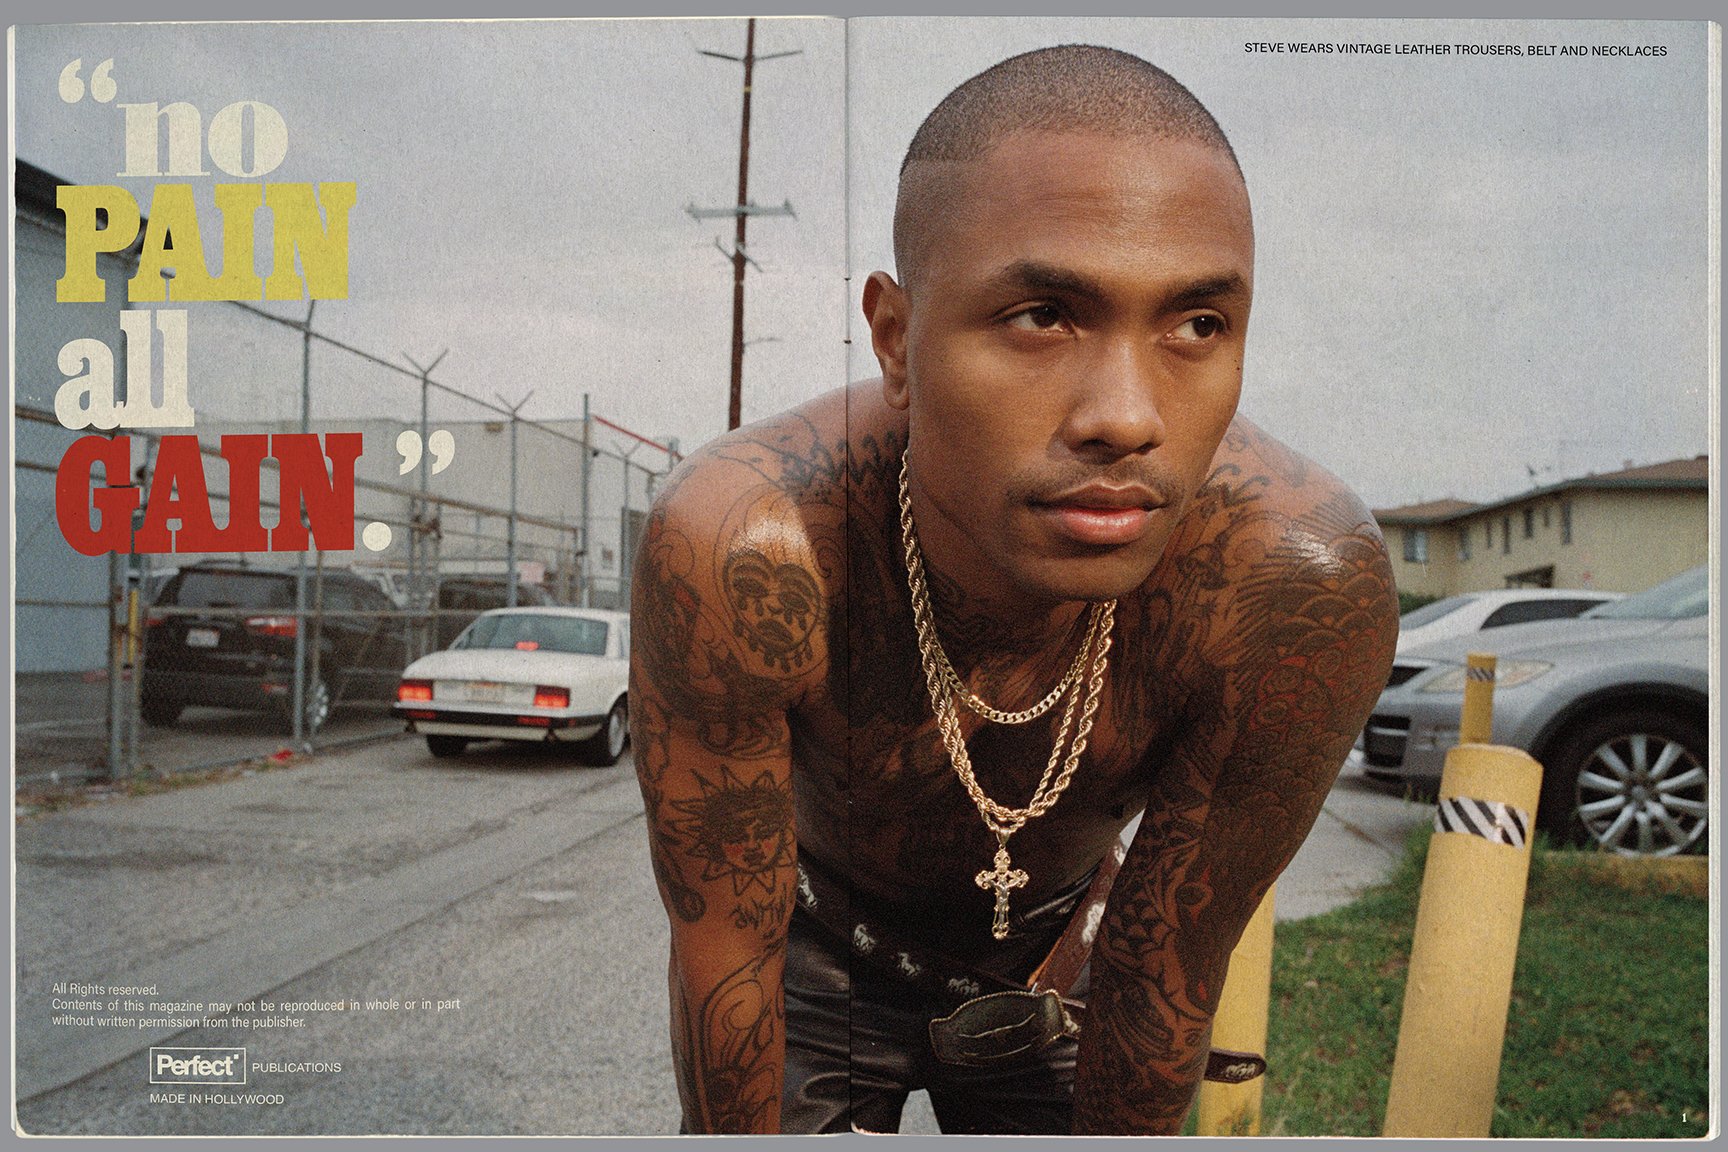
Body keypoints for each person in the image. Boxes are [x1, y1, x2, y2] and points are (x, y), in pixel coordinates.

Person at [630, 44, 1398, 1135]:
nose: (1126, 415)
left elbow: (1164, 974)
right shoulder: (751, 549)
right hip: (815, 959)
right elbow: (728, 955)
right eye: (1043, 315)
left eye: (1196, 324)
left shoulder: (1288, 583)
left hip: (1061, 959)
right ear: (898, 340)